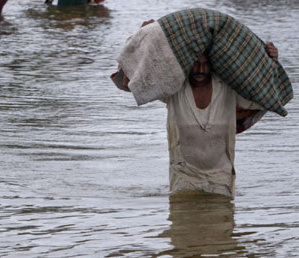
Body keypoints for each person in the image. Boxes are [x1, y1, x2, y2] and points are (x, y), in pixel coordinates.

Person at [120, 20, 280, 198]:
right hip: (183, 175)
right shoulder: (175, 89)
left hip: (221, 177)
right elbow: (130, 84)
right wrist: (142, 39)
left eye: (205, 64)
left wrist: (271, 60)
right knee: (183, 220)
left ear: (213, 66)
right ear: (188, 65)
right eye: (196, 64)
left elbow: (267, 96)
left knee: (220, 221)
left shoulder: (228, 90)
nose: (201, 69)